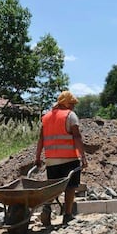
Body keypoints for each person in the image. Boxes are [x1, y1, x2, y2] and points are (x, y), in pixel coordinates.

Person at [34, 91, 88, 226]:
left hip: (51, 160)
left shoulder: (46, 117)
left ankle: (47, 208)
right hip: (69, 158)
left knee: (53, 187)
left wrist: (37, 157)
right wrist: (83, 157)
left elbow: (41, 139)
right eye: (72, 104)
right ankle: (67, 215)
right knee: (70, 187)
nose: (73, 107)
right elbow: (77, 137)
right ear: (67, 103)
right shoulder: (70, 116)